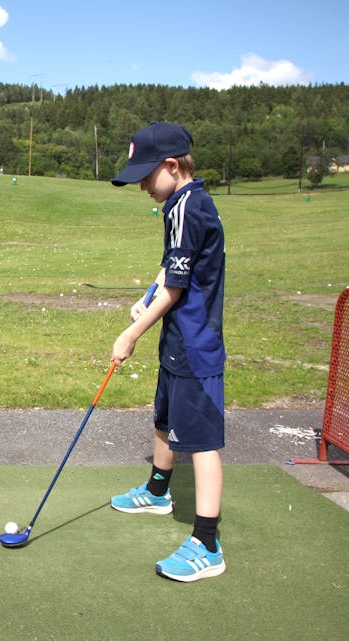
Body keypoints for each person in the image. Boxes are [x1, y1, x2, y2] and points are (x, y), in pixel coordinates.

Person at [108, 122, 226, 582]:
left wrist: (131, 333)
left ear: (172, 166)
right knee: (165, 418)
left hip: (196, 345)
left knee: (201, 442)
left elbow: (177, 288)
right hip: (177, 341)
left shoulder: (189, 207)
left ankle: (207, 543)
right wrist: (148, 291)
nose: (141, 184)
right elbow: (171, 269)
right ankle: (158, 491)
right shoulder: (178, 203)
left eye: (145, 174)